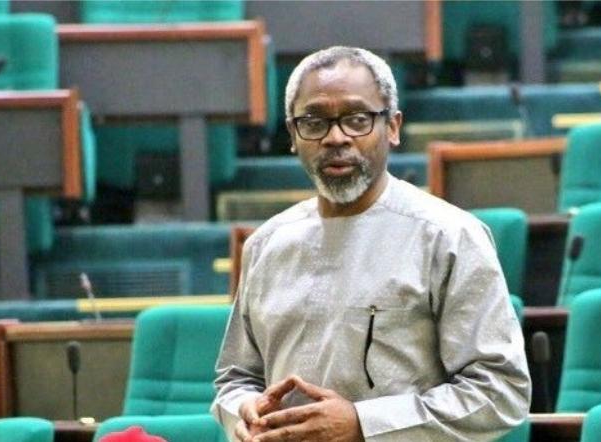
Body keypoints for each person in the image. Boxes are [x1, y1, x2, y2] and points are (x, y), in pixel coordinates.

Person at [211, 46, 530, 442]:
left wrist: (364, 424)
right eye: (314, 122)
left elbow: (501, 392)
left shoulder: (448, 237)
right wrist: (242, 410)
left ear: (393, 127)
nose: (336, 137)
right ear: (293, 135)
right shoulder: (267, 245)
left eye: (357, 119)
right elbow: (235, 378)